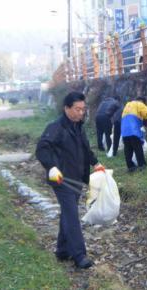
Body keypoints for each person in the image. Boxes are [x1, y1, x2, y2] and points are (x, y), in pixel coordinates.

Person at [35, 91, 105, 269]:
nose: (81, 113)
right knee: (72, 215)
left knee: (68, 213)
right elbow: (42, 149)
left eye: (83, 109)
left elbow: (85, 149)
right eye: (77, 109)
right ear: (66, 108)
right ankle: (79, 255)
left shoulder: (78, 126)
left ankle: (62, 250)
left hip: (77, 179)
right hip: (61, 179)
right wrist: (51, 167)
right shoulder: (56, 127)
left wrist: (95, 163)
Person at [121, 97, 147, 172]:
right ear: (142, 102)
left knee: (128, 149)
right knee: (138, 147)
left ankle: (130, 167)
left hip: (124, 131)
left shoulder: (127, 105)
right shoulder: (139, 104)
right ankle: (142, 165)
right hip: (133, 130)